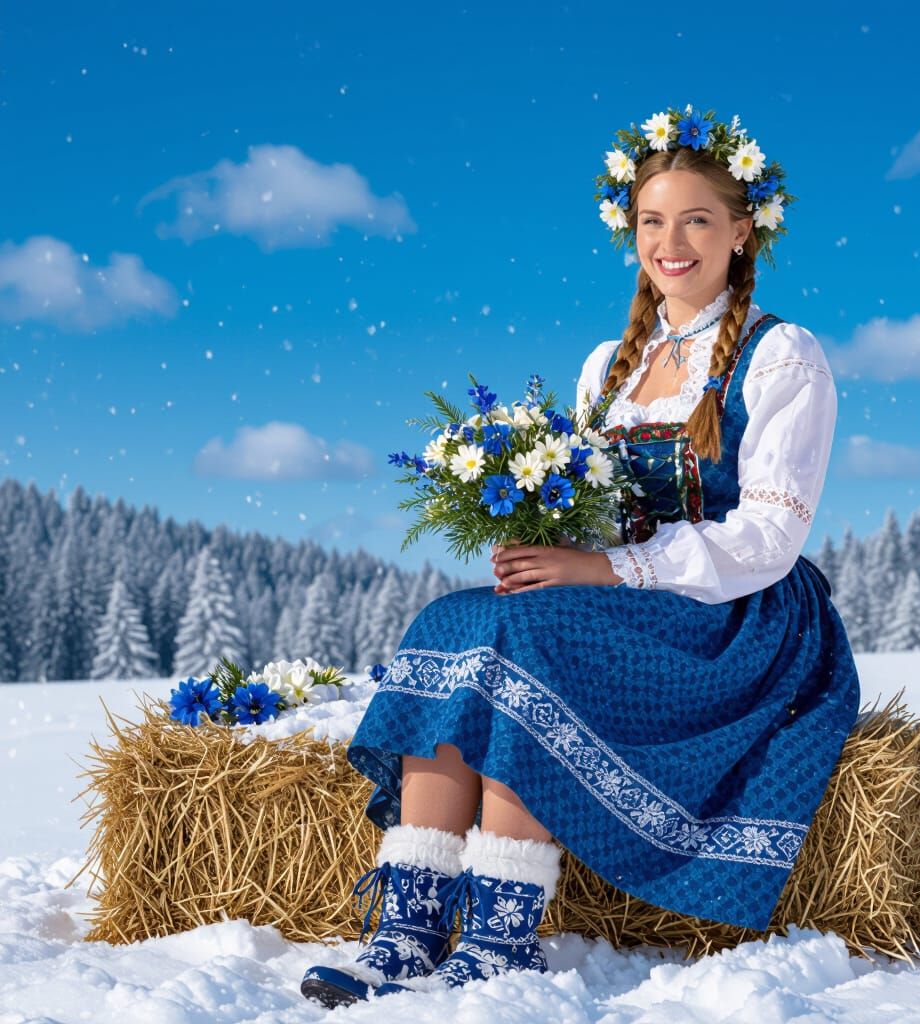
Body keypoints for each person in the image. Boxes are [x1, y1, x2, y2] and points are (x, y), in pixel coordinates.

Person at [301, 105, 861, 1009]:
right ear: (628, 230)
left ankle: (500, 934)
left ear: (742, 229)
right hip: (616, 596)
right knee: (452, 618)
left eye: (696, 220)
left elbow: (767, 540)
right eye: (651, 221)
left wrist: (605, 572)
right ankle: (407, 925)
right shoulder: (610, 363)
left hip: (733, 613)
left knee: (536, 638)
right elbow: (599, 515)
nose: (670, 242)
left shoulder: (780, 354)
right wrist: (547, 539)